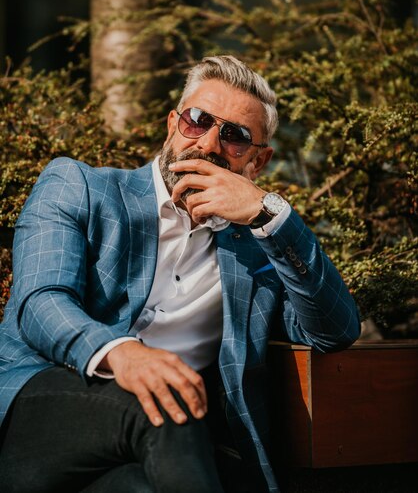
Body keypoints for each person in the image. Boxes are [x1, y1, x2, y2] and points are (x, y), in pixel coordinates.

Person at [0, 55, 360, 493]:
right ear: (173, 124)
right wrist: (125, 355)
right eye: (197, 120)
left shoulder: (256, 256)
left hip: (155, 451)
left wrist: (271, 215)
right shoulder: (81, 186)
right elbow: (41, 303)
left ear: (258, 162)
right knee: (171, 406)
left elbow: (334, 331)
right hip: (38, 415)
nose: (208, 144)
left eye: (235, 136)